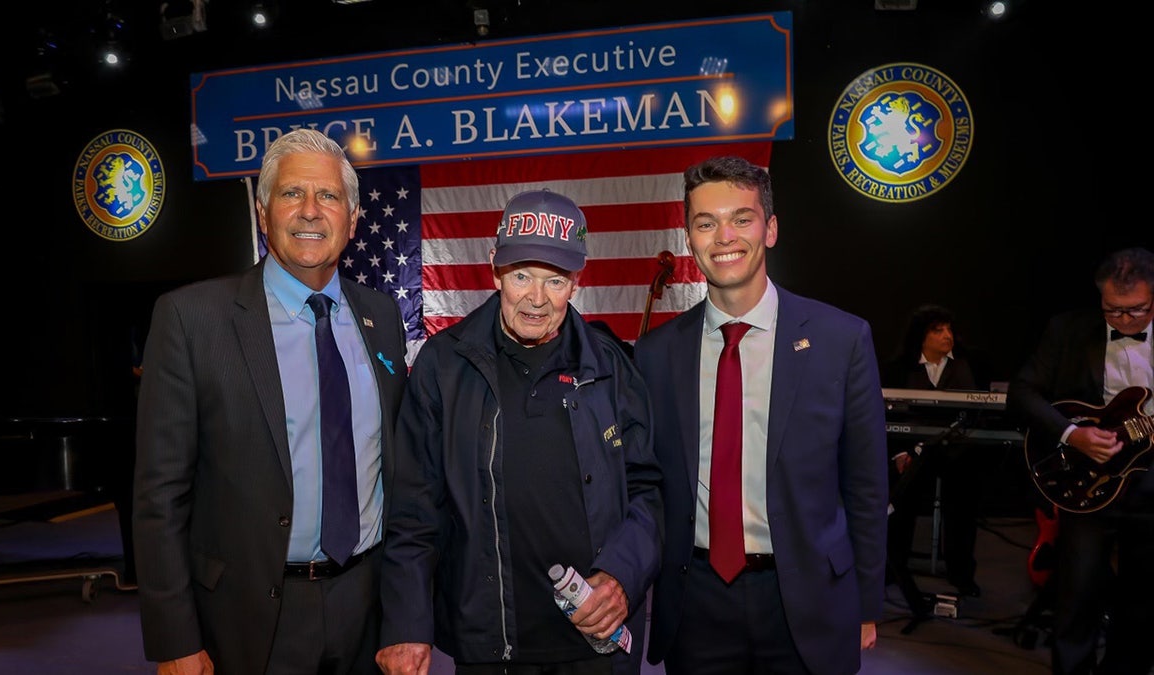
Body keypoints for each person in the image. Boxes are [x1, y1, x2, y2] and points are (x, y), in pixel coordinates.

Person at [132, 128, 408, 674]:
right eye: (291, 194)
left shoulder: (383, 318)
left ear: (352, 221)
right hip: (247, 615)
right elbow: (159, 496)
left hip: (366, 605)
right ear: (263, 213)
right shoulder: (191, 320)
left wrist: (405, 615)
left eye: (328, 196)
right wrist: (174, 640)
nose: (310, 211)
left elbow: (395, 471)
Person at [376, 188, 661, 675]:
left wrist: (621, 573)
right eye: (522, 275)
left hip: (597, 644)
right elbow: (414, 506)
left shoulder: (611, 366)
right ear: (494, 268)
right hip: (490, 645)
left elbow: (647, 489)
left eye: (555, 280)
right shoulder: (444, 365)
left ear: (577, 282)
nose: (535, 298)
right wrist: (405, 623)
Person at [634, 155, 888, 675]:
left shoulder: (842, 340)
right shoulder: (656, 354)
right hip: (695, 600)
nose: (724, 236)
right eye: (706, 223)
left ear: (770, 229)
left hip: (808, 597)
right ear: (689, 238)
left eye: (741, 218)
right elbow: (647, 484)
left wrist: (866, 602)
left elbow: (866, 487)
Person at [1007, 246, 1154, 675]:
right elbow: (1022, 393)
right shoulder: (1067, 330)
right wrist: (1074, 435)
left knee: (1143, 602)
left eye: (1138, 311)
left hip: (1150, 488)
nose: (1126, 321)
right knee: (1076, 598)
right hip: (1088, 486)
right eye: (1113, 311)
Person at [881, 303, 984, 598]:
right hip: (913, 452)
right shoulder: (898, 369)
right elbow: (886, 418)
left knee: (964, 501)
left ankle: (961, 572)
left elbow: (980, 412)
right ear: (921, 337)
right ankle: (893, 567)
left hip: (957, 453)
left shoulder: (968, 364)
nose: (947, 336)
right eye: (938, 330)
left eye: (949, 329)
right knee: (899, 498)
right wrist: (900, 453)